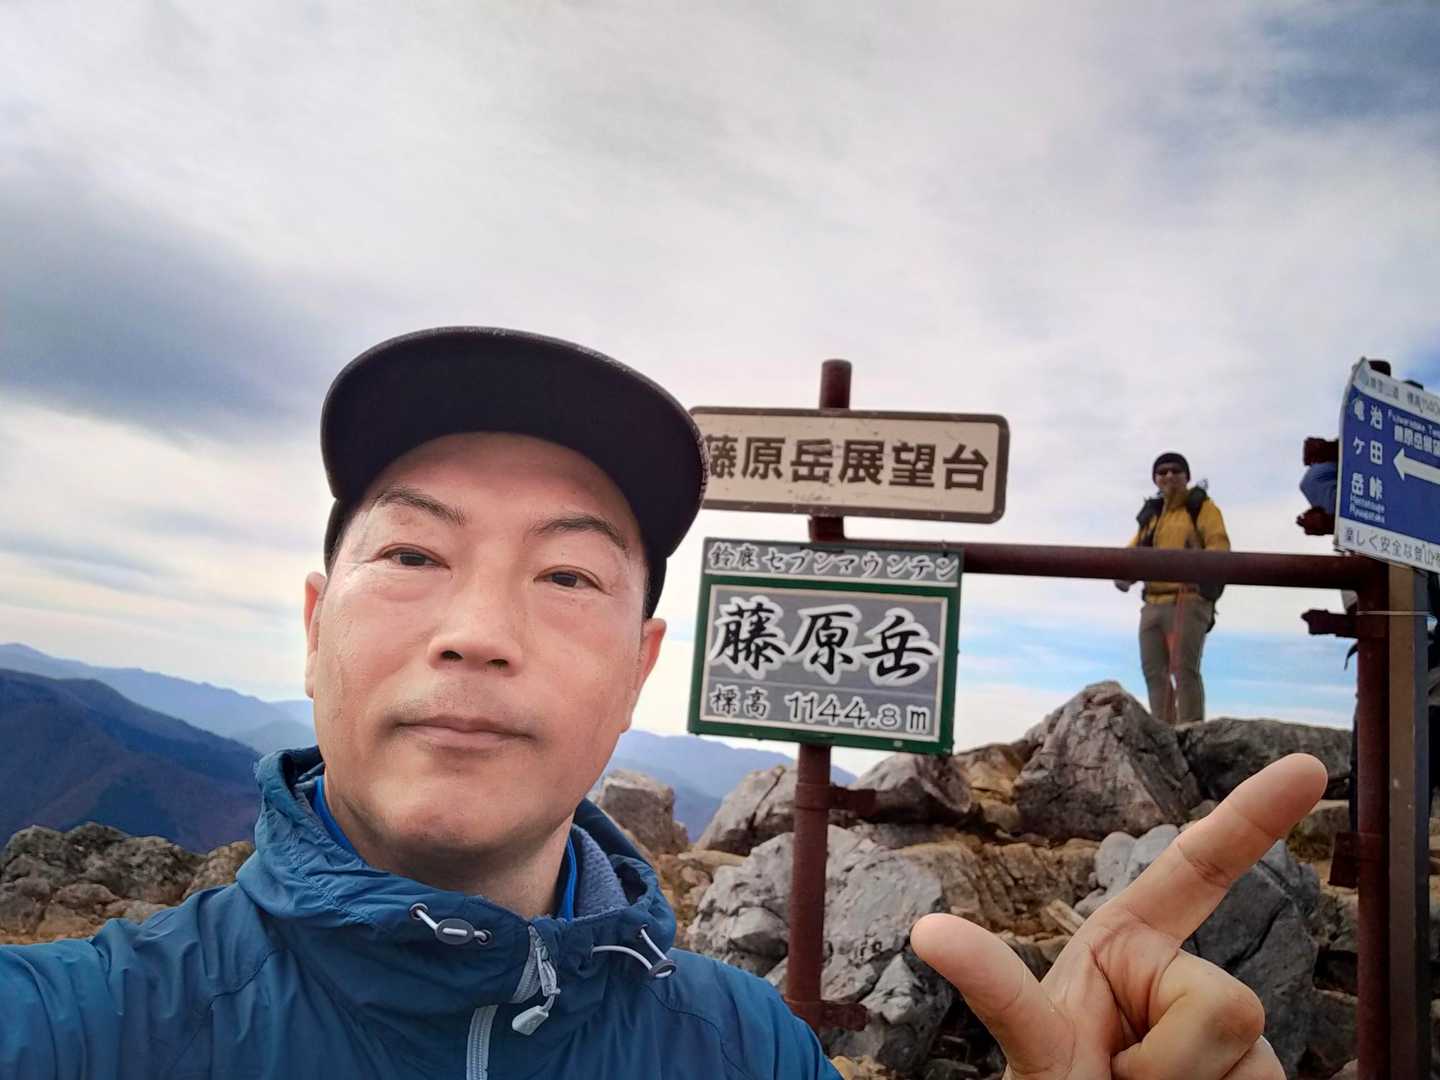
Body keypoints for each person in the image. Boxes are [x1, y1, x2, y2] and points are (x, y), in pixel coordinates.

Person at [1, 327, 1322, 1079]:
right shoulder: (71, 1027)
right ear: (311, 627)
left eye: (567, 575)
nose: (477, 631)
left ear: (641, 670)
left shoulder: (749, 1050)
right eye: (411, 554)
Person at [1115, 451, 1231, 725]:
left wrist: (1197, 569)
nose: (1168, 476)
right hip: (1152, 603)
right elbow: (1133, 550)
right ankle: (1164, 732)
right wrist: (1120, 571)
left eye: (1176, 471)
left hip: (1188, 599)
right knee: (1154, 673)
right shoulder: (1153, 515)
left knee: (1184, 671)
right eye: (1162, 471)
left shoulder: (1202, 508)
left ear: (1187, 477)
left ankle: (1190, 732)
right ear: (1155, 479)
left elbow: (1219, 546)